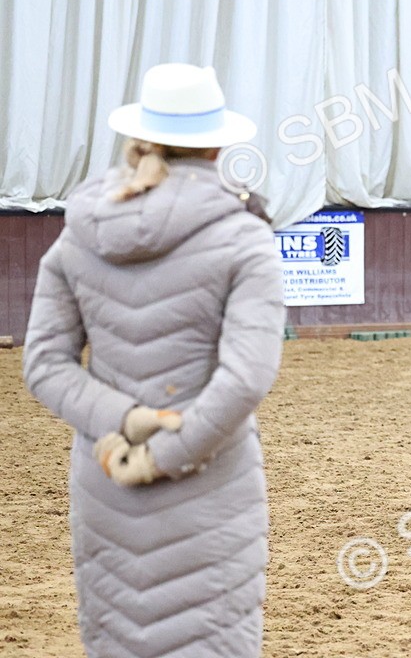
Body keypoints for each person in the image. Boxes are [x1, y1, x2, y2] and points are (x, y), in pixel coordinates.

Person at [23, 63, 284, 657]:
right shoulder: (245, 237)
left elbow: (43, 362)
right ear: (216, 146)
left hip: (106, 478)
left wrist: (124, 420)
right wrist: (163, 454)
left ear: (139, 138)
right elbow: (246, 377)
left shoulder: (79, 233)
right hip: (210, 483)